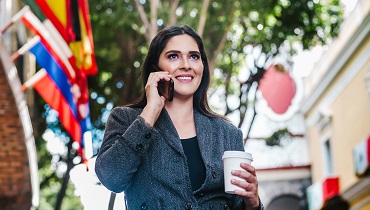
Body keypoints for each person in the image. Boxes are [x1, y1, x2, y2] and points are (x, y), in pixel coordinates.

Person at [95, 25, 264, 210]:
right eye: (173, 56)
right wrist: (151, 111)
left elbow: (238, 203)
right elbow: (111, 178)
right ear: (155, 67)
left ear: (202, 67)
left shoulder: (227, 133)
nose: (186, 64)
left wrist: (253, 204)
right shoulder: (126, 120)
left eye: (194, 56)